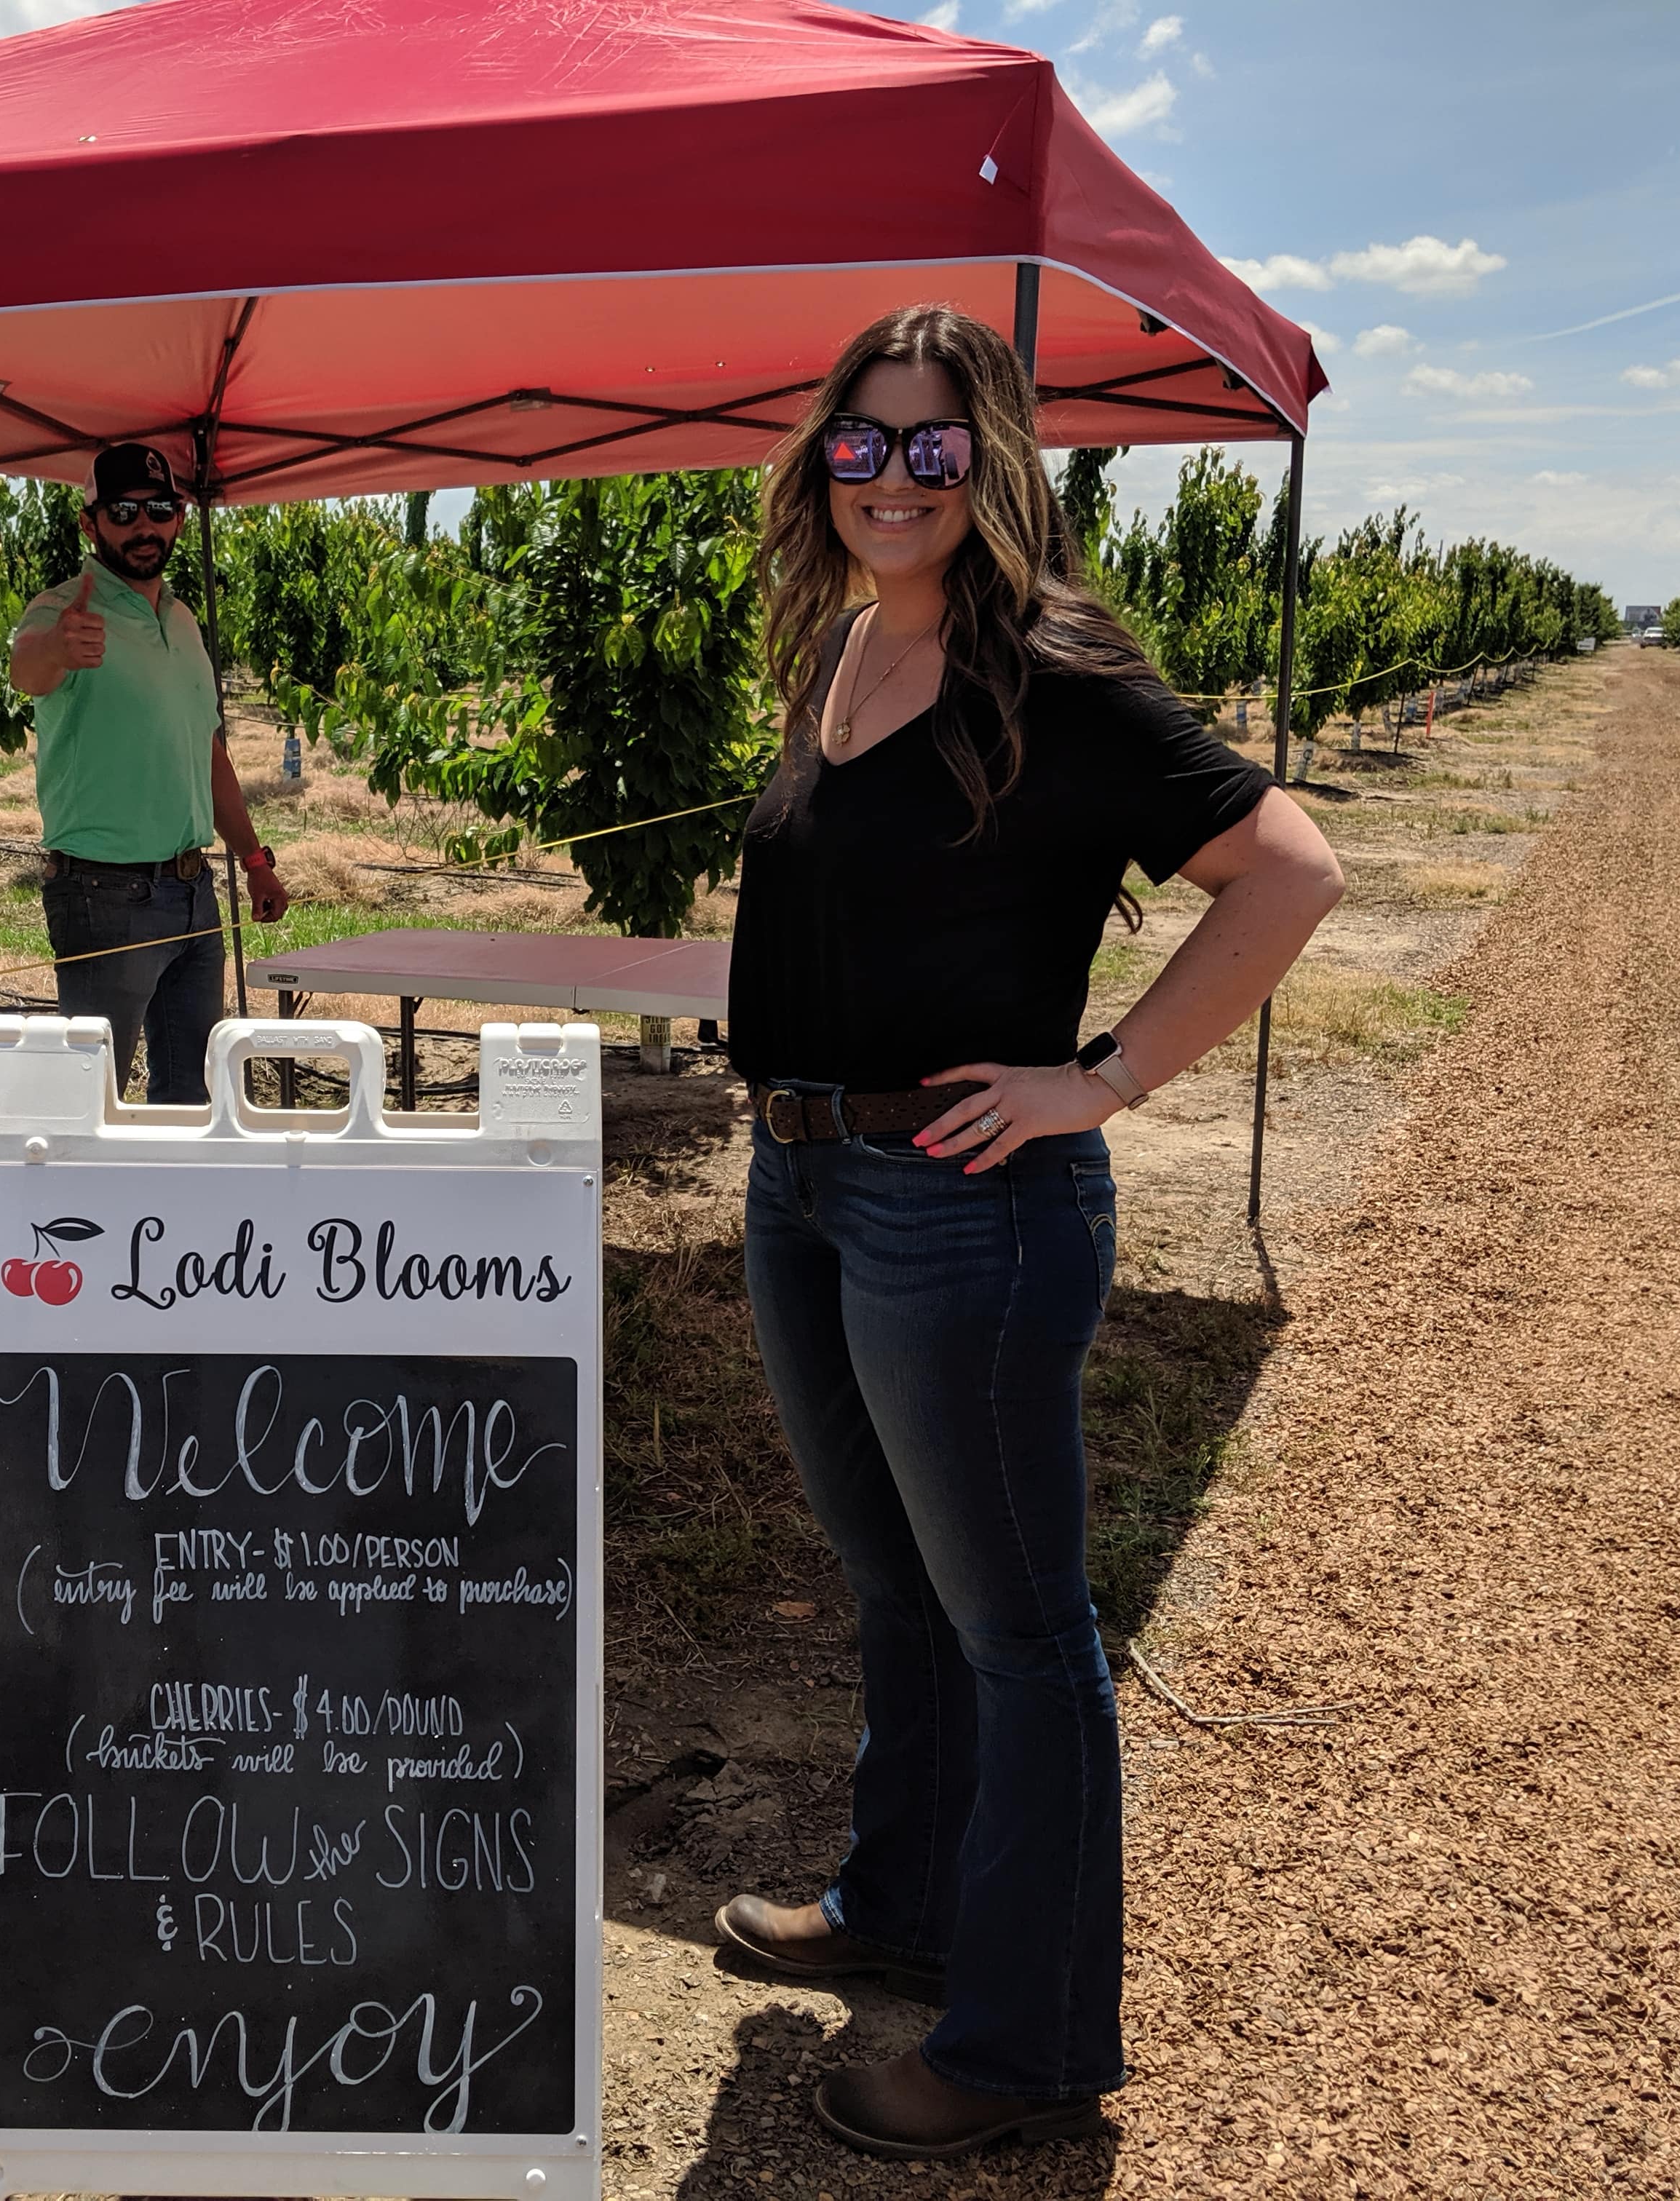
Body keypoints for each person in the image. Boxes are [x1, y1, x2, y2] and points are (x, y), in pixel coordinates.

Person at [715, 304, 1344, 2161]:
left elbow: (1290, 868)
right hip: (809, 1176)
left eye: (931, 446)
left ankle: (1028, 2048)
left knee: (1023, 1630)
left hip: (963, 1205)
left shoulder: (1053, 672)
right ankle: (906, 1904)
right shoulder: (843, 644)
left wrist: (1109, 1077)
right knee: (900, 1585)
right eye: (862, 442)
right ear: (820, 459)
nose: (892, 478)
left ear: (991, 467)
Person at [9, 443, 288, 1104]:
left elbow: (208, 749)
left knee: (192, 1095)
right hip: (106, 897)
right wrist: (54, 647)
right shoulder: (62, 609)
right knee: (88, 1097)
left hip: (194, 892)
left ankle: (175, 1212)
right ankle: (72, 1211)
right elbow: (27, 669)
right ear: (90, 524)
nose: (144, 525)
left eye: (160, 509)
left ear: (180, 519)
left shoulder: (183, 621)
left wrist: (252, 859)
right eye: (124, 511)